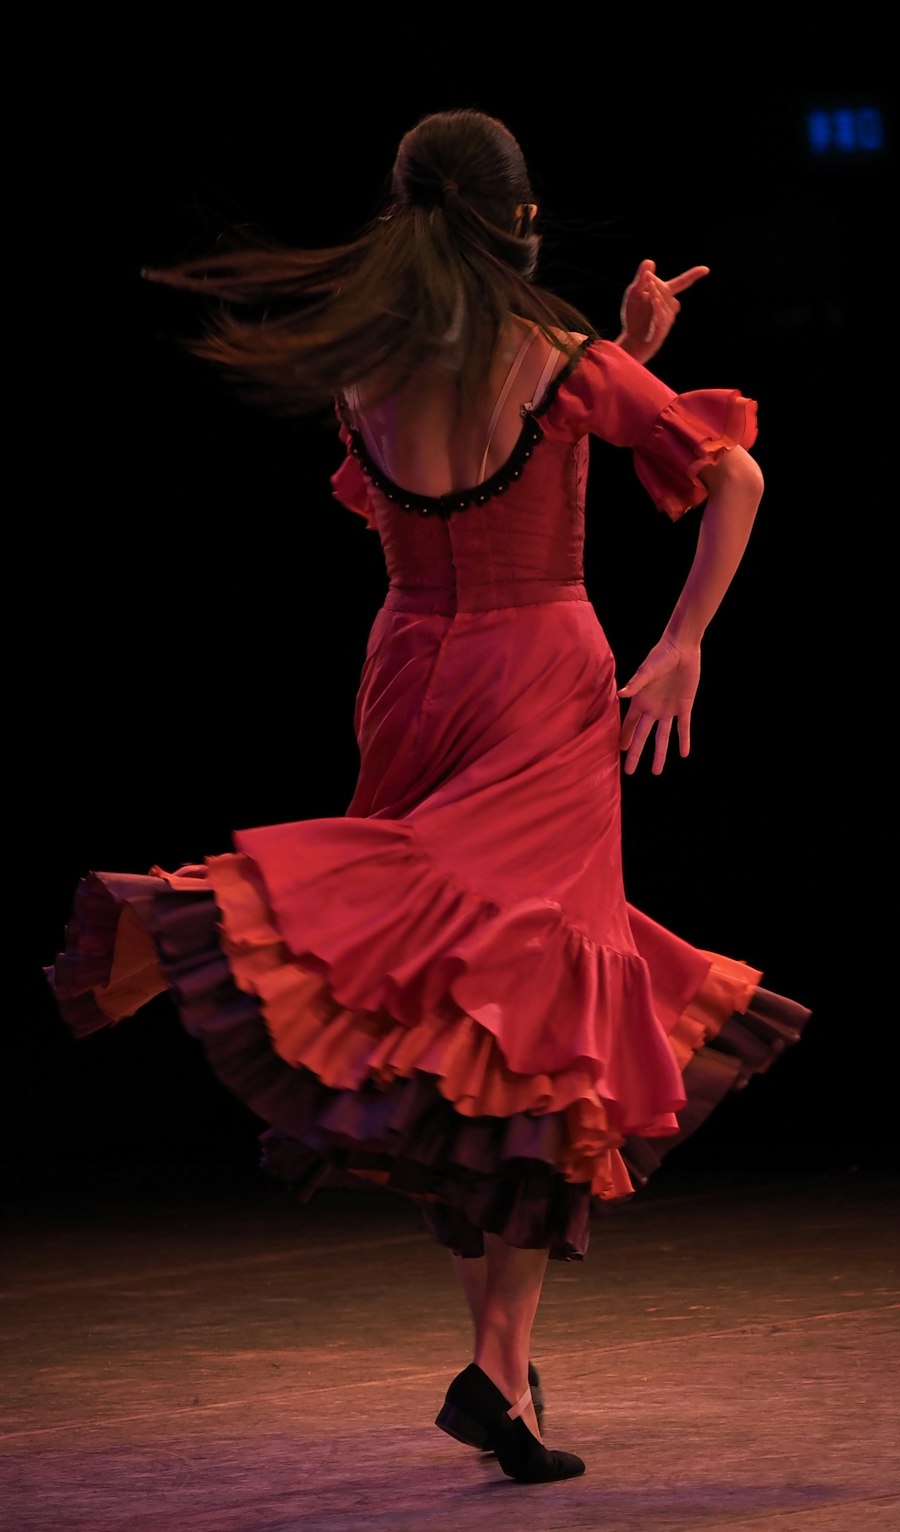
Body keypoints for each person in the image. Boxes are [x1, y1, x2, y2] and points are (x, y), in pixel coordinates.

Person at [45, 108, 811, 1486]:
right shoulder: (556, 358)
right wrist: (684, 641)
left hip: (408, 667)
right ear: (519, 223)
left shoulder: (372, 364)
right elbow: (733, 470)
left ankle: (500, 1378)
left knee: (455, 1018)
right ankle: (497, 1369)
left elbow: (452, 487)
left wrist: (624, 365)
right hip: (539, 679)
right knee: (531, 1020)